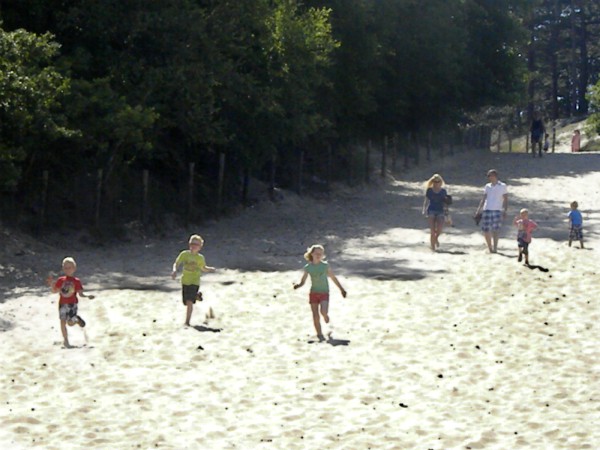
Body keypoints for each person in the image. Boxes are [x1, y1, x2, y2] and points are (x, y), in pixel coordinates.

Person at [293, 244, 346, 341]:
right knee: (315, 315)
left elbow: (333, 278)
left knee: (323, 311)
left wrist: (342, 289)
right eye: (316, 253)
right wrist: (298, 285)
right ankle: (319, 334)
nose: (318, 255)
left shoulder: (325, 266)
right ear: (311, 254)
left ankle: (326, 316)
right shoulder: (308, 267)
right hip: (313, 293)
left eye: (321, 254)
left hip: (324, 292)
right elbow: (303, 281)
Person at [46, 257, 95, 348]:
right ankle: (66, 340)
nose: (67, 270)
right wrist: (52, 285)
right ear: (63, 269)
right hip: (62, 304)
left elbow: (80, 293)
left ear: (74, 268)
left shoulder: (76, 281)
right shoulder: (61, 280)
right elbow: (55, 291)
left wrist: (87, 296)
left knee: (70, 323)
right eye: (65, 268)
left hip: (72, 304)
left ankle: (76, 319)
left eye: (69, 267)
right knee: (62, 321)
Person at [171, 234, 215, 326]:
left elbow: (203, 268)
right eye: (192, 243)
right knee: (186, 302)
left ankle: (187, 322)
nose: (193, 246)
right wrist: (174, 270)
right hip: (185, 281)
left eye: (196, 244)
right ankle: (196, 296)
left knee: (189, 302)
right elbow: (177, 263)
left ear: (200, 247)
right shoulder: (184, 254)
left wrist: (209, 269)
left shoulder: (200, 258)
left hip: (195, 281)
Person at [475, 169, 508, 253]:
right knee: (486, 230)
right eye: (488, 176)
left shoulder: (503, 186)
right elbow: (484, 198)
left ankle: (495, 247)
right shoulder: (487, 186)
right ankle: (490, 247)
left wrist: (504, 210)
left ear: (495, 176)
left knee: (495, 230)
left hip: (497, 209)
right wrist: (479, 209)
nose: (489, 177)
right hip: (487, 209)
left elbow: (505, 199)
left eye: (490, 175)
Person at [422, 173, 450, 250]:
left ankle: (436, 238)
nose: (436, 183)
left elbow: (445, 203)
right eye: (435, 181)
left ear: (440, 182)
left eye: (438, 181)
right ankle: (432, 247)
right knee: (432, 230)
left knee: (439, 229)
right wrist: (424, 210)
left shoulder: (443, 191)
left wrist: (447, 215)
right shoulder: (429, 190)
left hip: (440, 211)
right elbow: (426, 200)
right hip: (431, 210)